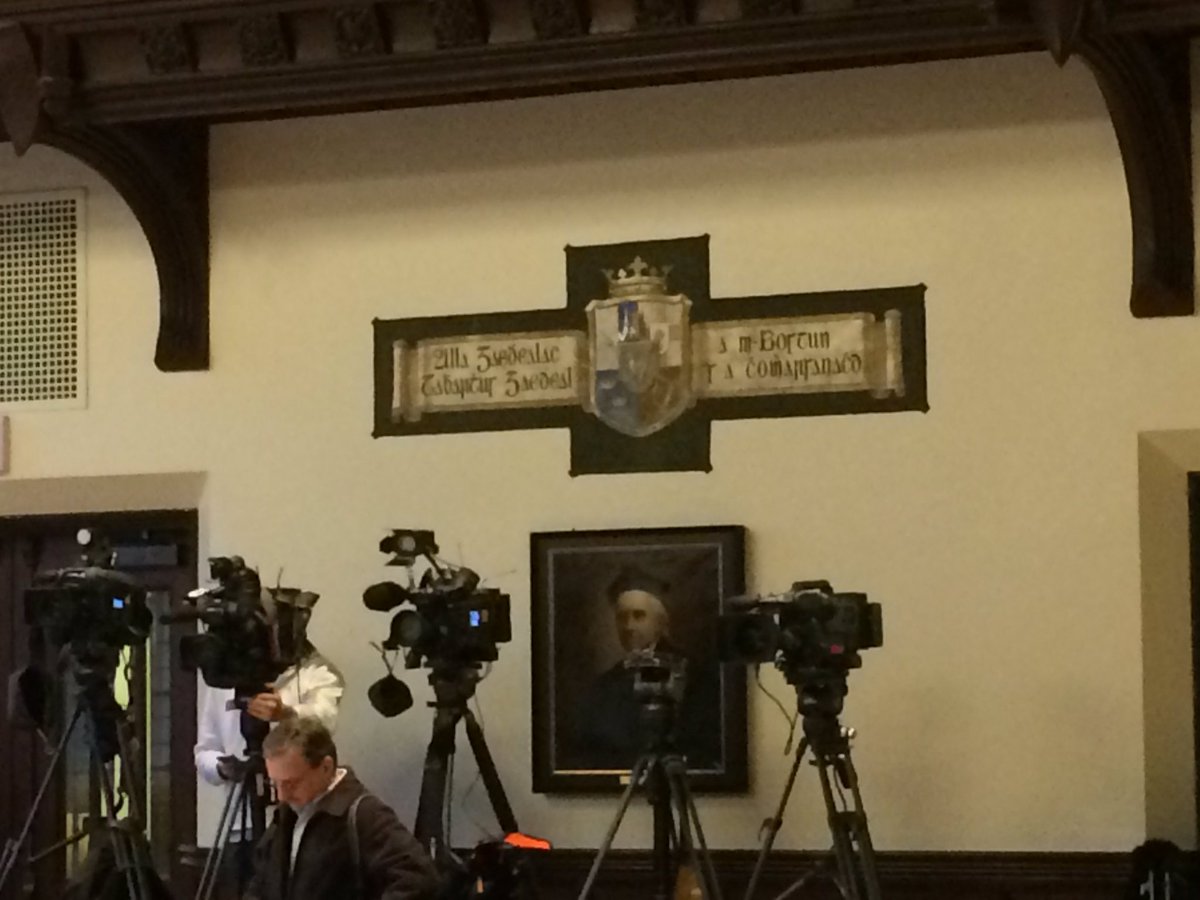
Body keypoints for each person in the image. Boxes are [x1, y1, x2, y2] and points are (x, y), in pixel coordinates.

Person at [247, 716, 440, 900]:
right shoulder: (288, 813)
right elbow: (261, 882)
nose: (281, 796)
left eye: (292, 783)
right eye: (274, 783)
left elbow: (418, 878)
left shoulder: (365, 814)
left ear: (326, 767)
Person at [574, 567, 721, 770]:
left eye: (639, 616)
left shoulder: (693, 675)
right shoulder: (604, 685)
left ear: (661, 622)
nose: (629, 626)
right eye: (622, 617)